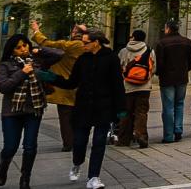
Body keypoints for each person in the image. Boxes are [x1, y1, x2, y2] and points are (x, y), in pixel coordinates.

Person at [38, 30, 126, 189]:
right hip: (83, 107)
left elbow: (117, 84)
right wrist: (50, 77)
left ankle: (93, 177)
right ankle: (77, 162)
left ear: (96, 43)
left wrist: (121, 109)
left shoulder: (111, 58)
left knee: (99, 142)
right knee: (79, 142)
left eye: (86, 43)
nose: (83, 45)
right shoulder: (82, 59)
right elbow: (71, 83)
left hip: (104, 107)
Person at [0, 34, 62, 188]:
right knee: (10, 147)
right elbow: (2, 87)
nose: (23, 49)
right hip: (12, 111)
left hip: (34, 110)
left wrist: (39, 50)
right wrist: (22, 72)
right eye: (18, 47)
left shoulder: (37, 61)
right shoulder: (6, 65)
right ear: (12, 51)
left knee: (30, 146)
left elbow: (59, 54)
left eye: (25, 45)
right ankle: (3, 167)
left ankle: (25, 178)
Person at [30, 20, 86, 152]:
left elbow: (47, 43)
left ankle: (68, 143)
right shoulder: (88, 45)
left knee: (65, 116)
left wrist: (36, 30)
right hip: (81, 86)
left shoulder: (72, 45)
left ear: (74, 33)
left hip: (65, 85)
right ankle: (76, 140)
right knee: (78, 115)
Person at [154, 21, 191, 143]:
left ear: (168, 29)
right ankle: (178, 130)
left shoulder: (162, 43)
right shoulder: (187, 42)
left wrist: (159, 73)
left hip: (167, 79)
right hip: (182, 77)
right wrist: (185, 69)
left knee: (168, 106)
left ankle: (168, 135)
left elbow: (159, 63)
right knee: (179, 104)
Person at [116, 30, 155, 148]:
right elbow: (154, 68)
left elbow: (119, 67)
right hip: (144, 87)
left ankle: (123, 139)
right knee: (141, 112)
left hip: (127, 87)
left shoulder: (124, 51)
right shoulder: (150, 51)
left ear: (133, 37)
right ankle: (141, 135)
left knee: (125, 113)